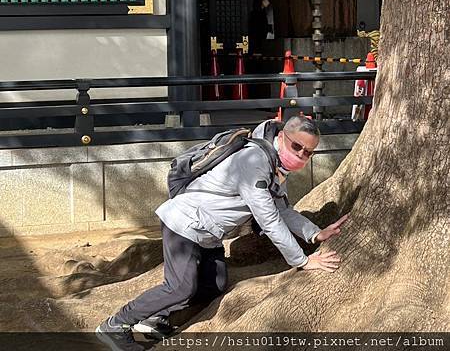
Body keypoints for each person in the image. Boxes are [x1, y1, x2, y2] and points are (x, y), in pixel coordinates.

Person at [96, 116, 349, 351]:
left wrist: (315, 234)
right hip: (186, 223)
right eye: (297, 147)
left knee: (214, 284)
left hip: (209, 233)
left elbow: (282, 209)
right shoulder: (254, 160)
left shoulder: (276, 166)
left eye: (308, 152)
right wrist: (303, 261)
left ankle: (153, 317)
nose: (302, 156)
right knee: (180, 288)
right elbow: (269, 219)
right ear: (282, 136)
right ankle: (115, 325)